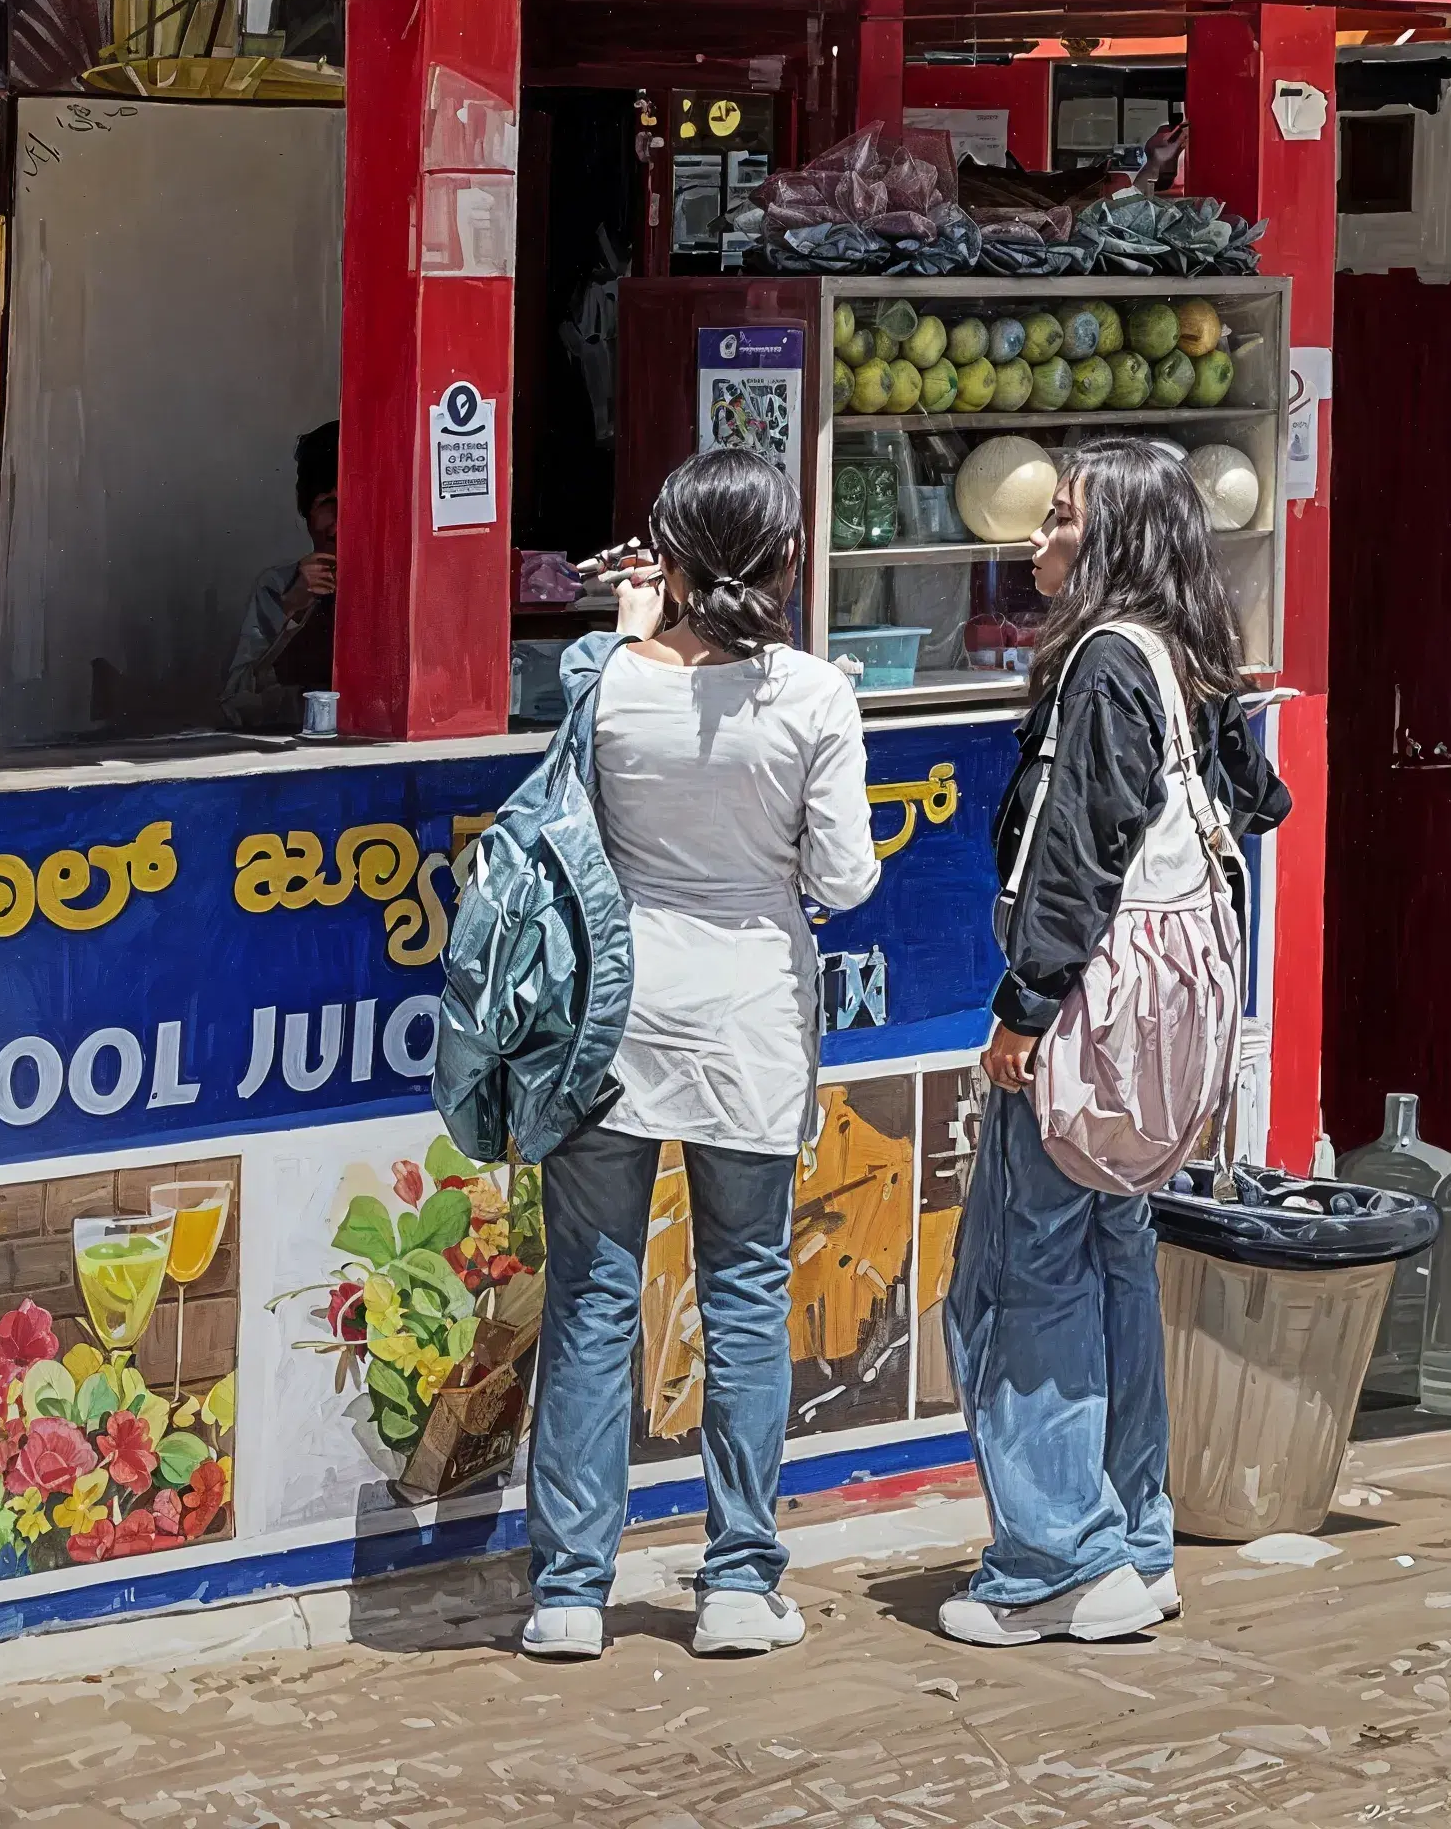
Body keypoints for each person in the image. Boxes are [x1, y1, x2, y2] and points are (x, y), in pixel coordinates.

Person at [515, 450, 878, 1661]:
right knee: (746, 1292)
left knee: (592, 1296)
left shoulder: (603, 682)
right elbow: (843, 879)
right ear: (787, 559)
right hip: (749, 1021)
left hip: (608, 1019)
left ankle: (570, 1593)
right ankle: (736, 1580)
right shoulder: (813, 695)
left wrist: (627, 633)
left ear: (664, 560)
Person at [941, 437, 1288, 1646]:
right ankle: (1135, 1542)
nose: (1038, 538)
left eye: (1061, 519)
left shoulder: (1102, 664)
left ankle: (1055, 1563)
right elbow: (1258, 801)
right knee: (1115, 1255)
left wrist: (1024, 1009)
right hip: (1161, 1034)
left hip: (1086, 1020)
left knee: (1019, 1278)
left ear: (1113, 543)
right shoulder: (1190, 658)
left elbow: (1075, 853)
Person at [221, 420, 346, 733]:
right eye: (327, 505)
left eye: (354, 502)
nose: (338, 524)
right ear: (307, 513)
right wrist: (292, 607)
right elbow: (235, 702)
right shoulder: (277, 586)